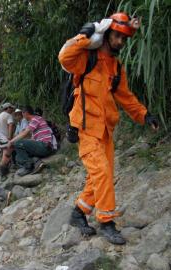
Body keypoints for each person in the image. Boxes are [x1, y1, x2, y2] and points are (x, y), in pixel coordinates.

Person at [58, 12, 159, 245]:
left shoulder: (116, 67)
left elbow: (126, 97)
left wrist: (144, 115)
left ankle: (78, 213)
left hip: (105, 130)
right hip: (85, 128)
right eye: (117, 37)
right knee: (102, 173)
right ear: (106, 35)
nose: (121, 43)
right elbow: (64, 56)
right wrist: (88, 34)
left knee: (100, 177)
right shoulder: (86, 58)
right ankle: (106, 222)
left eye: (124, 39)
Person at [9, 106, 57, 176]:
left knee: (18, 143)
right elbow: (32, 140)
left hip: (44, 146)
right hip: (41, 146)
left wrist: (11, 142)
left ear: (26, 113)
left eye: (22, 113)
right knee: (18, 157)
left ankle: (29, 167)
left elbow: (25, 133)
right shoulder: (33, 122)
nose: (22, 115)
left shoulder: (36, 119)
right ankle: (37, 162)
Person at [0, 103, 16, 177]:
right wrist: (10, 137)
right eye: (11, 108)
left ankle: (7, 170)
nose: (12, 110)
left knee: (5, 154)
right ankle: (3, 174)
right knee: (6, 156)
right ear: (7, 108)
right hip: (6, 138)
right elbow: (10, 125)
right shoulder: (8, 115)